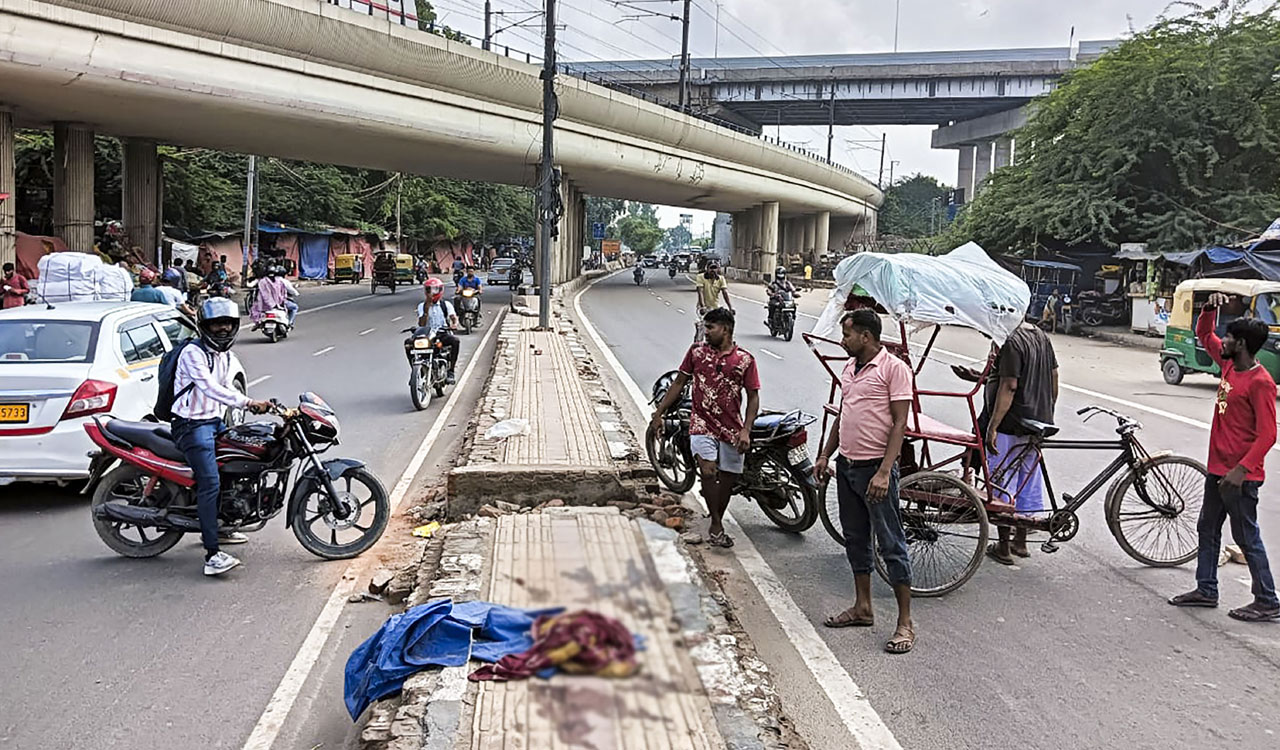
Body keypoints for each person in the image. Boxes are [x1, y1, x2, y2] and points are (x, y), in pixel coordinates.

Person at [1169, 292, 1278, 622]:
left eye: (1228, 337)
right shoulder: (1229, 364)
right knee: (1207, 528)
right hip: (1218, 469)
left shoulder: (1260, 382)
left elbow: (1268, 434)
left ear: (1241, 344)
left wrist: (1241, 470)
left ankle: (1267, 599)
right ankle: (1206, 589)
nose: (1223, 340)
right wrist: (1208, 309)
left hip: (1239, 478)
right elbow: (1204, 334)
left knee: (1246, 537)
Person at [814, 309, 916, 654]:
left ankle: (905, 623)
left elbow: (900, 424)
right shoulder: (849, 367)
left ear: (866, 336)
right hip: (847, 466)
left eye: (847, 335)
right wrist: (826, 454)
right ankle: (863, 607)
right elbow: (844, 413)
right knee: (855, 539)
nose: (843, 341)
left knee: (890, 544)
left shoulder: (894, 369)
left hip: (875, 469)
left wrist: (885, 472)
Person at [172, 298, 272, 576]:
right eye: (216, 325)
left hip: (214, 421)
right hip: (191, 425)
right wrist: (248, 403)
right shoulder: (192, 353)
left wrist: (251, 405)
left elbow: (227, 386)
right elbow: (209, 388)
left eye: (227, 324)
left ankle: (224, 526)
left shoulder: (224, 355)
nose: (223, 329)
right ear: (204, 327)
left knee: (235, 467)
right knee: (210, 483)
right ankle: (212, 555)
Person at [650, 307, 760, 549]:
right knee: (708, 472)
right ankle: (717, 525)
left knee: (728, 479)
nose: (706, 332)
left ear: (726, 329)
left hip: (732, 427)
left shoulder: (745, 360)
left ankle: (716, 515)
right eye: (705, 327)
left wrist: (746, 429)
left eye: (710, 327)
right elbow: (679, 382)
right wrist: (659, 413)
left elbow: (753, 397)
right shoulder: (696, 352)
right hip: (701, 423)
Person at [976, 320, 1059, 565]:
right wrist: (1047, 412)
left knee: (1002, 483)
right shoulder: (1041, 336)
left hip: (1010, 423)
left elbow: (1009, 386)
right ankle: (1020, 542)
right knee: (1026, 481)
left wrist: (993, 425)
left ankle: (1003, 547)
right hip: (1035, 422)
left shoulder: (1010, 341)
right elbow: (1054, 376)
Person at [417, 278, 461, 384]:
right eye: (429, 290)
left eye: (435, 289)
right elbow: (421, 324)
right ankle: (416, 371)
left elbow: (453, 317)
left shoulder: (445, 304)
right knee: (409, 344)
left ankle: (451, 371)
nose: (432, 293)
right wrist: (426, 310)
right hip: (427, 335)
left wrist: (454, 324)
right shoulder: (422, 306)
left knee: (455, 341)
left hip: (441, 334)